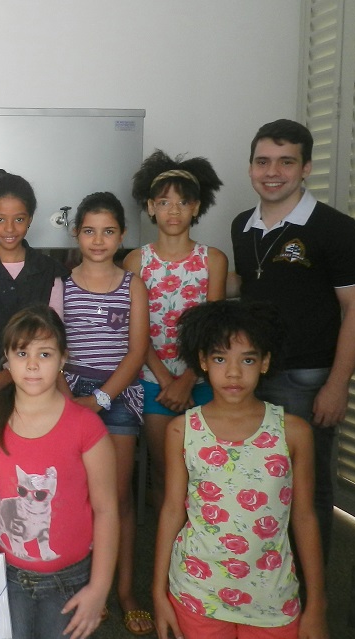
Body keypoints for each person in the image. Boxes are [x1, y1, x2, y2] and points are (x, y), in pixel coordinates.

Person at [153, 300, 328, 639]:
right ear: (202, 361)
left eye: (247, 360)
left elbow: (304, 517)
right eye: (220, 359)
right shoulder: (182, 431)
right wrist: (158, 592)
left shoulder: (293, 432)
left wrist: (316, 605)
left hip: (272, 592)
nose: (233, 373)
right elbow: (172, 511)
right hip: (198, 588)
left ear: (265, 362)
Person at [230, 119, 355, 554]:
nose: (272, 172)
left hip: (307, 379)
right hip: (252, 375)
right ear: (251, 167)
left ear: (306, 167)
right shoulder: (242, 225)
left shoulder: (334, 227)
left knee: (307, 490)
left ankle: (309, 588)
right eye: (263, 161)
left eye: (286, 162)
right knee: (256, 482)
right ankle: (263, 577)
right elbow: (251, 285)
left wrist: (338, 384)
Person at [0, 306, 118, 639]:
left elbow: (107, 510)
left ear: (63, 359)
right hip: (5, 577)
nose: (32, 365)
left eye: (44, 354)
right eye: (22, 353)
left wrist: (99, 590)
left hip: (69, 581)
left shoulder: (86, 426)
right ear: (6, 359)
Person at [61, 191, 150, 635]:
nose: (98, 240)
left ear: (122, 235)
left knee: (116, 499)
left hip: (118, 394)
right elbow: (54, 349)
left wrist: (98, 400)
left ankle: (124, 590)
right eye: (90, 231)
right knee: (74, 495)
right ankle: (83, 584)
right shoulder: (61, 284)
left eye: (108, 231)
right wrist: (70, 400)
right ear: (76, 234)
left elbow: (137, 352)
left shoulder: (133, 285)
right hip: (67, 391)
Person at [124, 151, 228, 508]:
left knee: (206, 475)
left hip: (202, 380)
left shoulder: (213, 260)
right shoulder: (136, 261)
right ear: (150, 207)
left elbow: (213, 329)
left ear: (196, 208)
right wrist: (167, 380)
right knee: (164, 472)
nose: (173, 211)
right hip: (155, 382)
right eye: (164, 202)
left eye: (183, 203)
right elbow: (135, 331)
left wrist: (187, 379)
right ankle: (168, 542)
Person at [0, 169, 69, 401]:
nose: (9, 229)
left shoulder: (49, 272)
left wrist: (7, 376)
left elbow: (53, 338)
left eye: (19, 219)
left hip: (35, 387)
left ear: (30, 219)